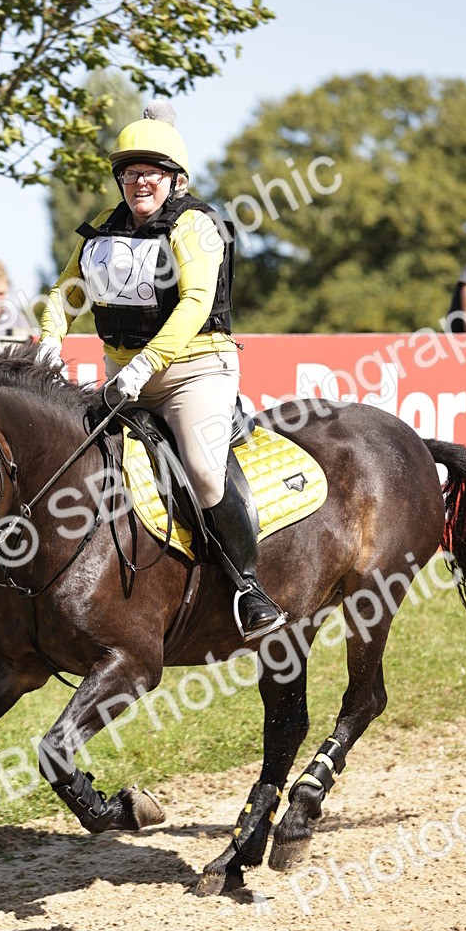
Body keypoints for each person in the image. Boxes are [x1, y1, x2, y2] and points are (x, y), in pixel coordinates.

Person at [37, 101, 287, 641]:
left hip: (194, 372)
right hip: (123, 376)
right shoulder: (104, 232)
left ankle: (248, 587)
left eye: (149, 173)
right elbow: (65, 292)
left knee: (201, 470)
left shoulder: (196, 225)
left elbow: (195, 301)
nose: (138, 182)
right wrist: (51, 340)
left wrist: (147, 363)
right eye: (129, 173)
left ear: (174, 179)